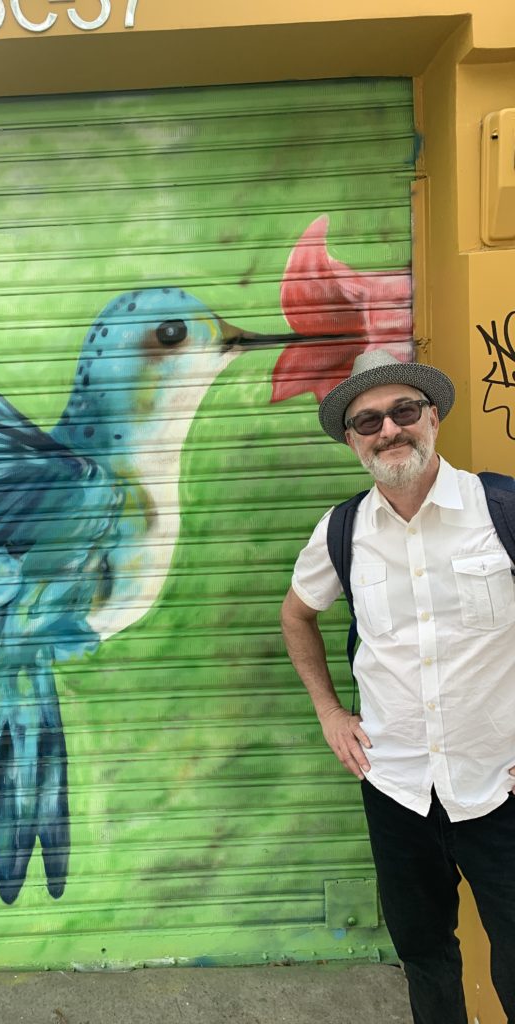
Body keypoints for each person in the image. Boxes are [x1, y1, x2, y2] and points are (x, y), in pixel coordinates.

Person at [280, 349, 515, 1024]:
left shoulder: (500, 508)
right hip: (398, 789)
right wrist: (329, 712)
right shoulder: (342, 531)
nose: (389, 430)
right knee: (424, 953)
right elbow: (296, 615)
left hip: (499, 785)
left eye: (403, 411)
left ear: (432, 417)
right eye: (368, 421)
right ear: (353, 441)